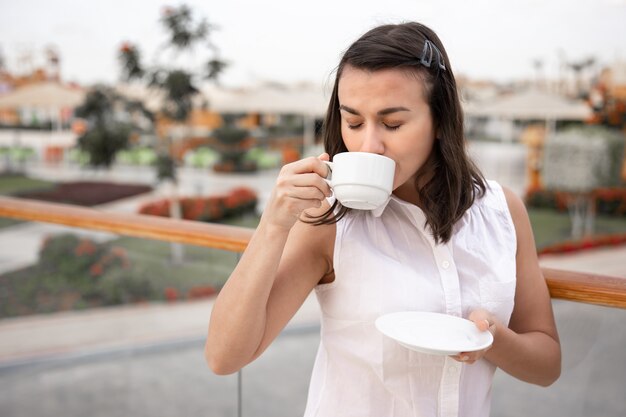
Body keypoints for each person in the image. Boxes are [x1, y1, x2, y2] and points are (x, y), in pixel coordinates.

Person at [205, 21, 561, 417]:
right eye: (353, 122)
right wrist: (274, 225)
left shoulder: (501, 212)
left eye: (392, 124)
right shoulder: (328, 223)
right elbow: (224, 357)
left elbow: (547, 363)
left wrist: (493, 340)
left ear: (440, 121)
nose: (368, 145)